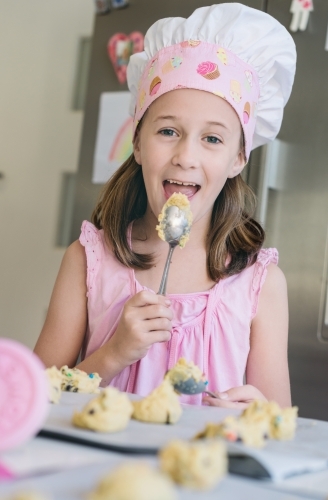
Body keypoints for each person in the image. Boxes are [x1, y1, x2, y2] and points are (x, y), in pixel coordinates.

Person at [34, 3, 296, 409]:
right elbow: (29, 399)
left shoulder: (260, 284)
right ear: (137, 144)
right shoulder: (87, 262)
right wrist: (113, 354)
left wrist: (253, 411)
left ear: (238, 159)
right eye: (168, 131)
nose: (185, 157)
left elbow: (281, 428)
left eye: (212, 139)